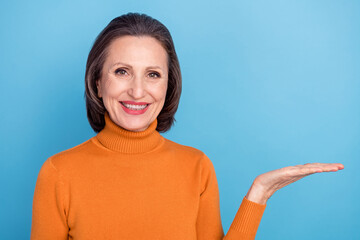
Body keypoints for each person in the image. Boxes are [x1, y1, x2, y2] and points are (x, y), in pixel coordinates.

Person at [30, 12, 344, 240]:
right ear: (98, 83)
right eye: (122, 71)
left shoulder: (197, 167)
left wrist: (258, 194)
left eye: (153, 74)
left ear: (169, 85)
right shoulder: (59, 173)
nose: (138, 91)